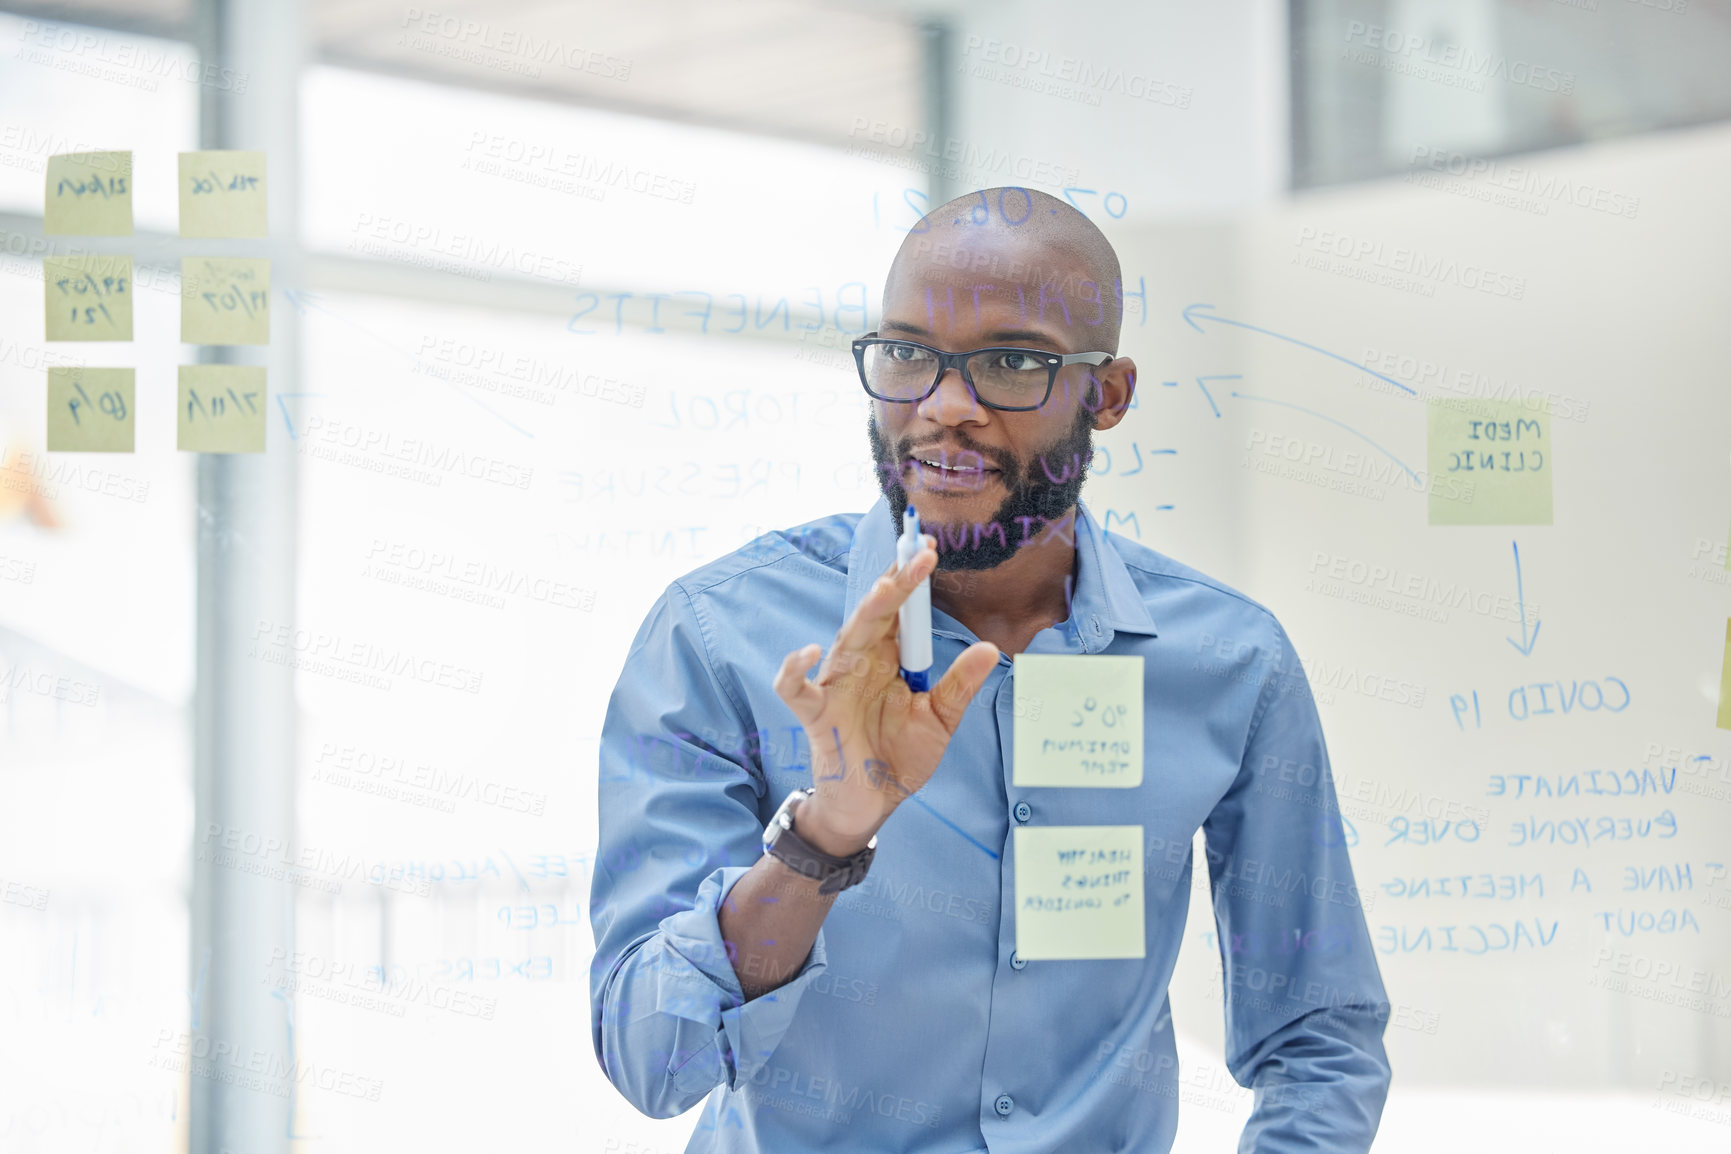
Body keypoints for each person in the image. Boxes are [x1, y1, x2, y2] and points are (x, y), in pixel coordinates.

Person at [589, 187, 1391, 1153]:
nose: (943, 407)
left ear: (1108, 393)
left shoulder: (1228, 662)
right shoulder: (719, 637)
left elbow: (1319, 1036)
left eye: (1012, 361)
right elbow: (654, 1057)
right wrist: (826, 835)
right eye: (907, 355)